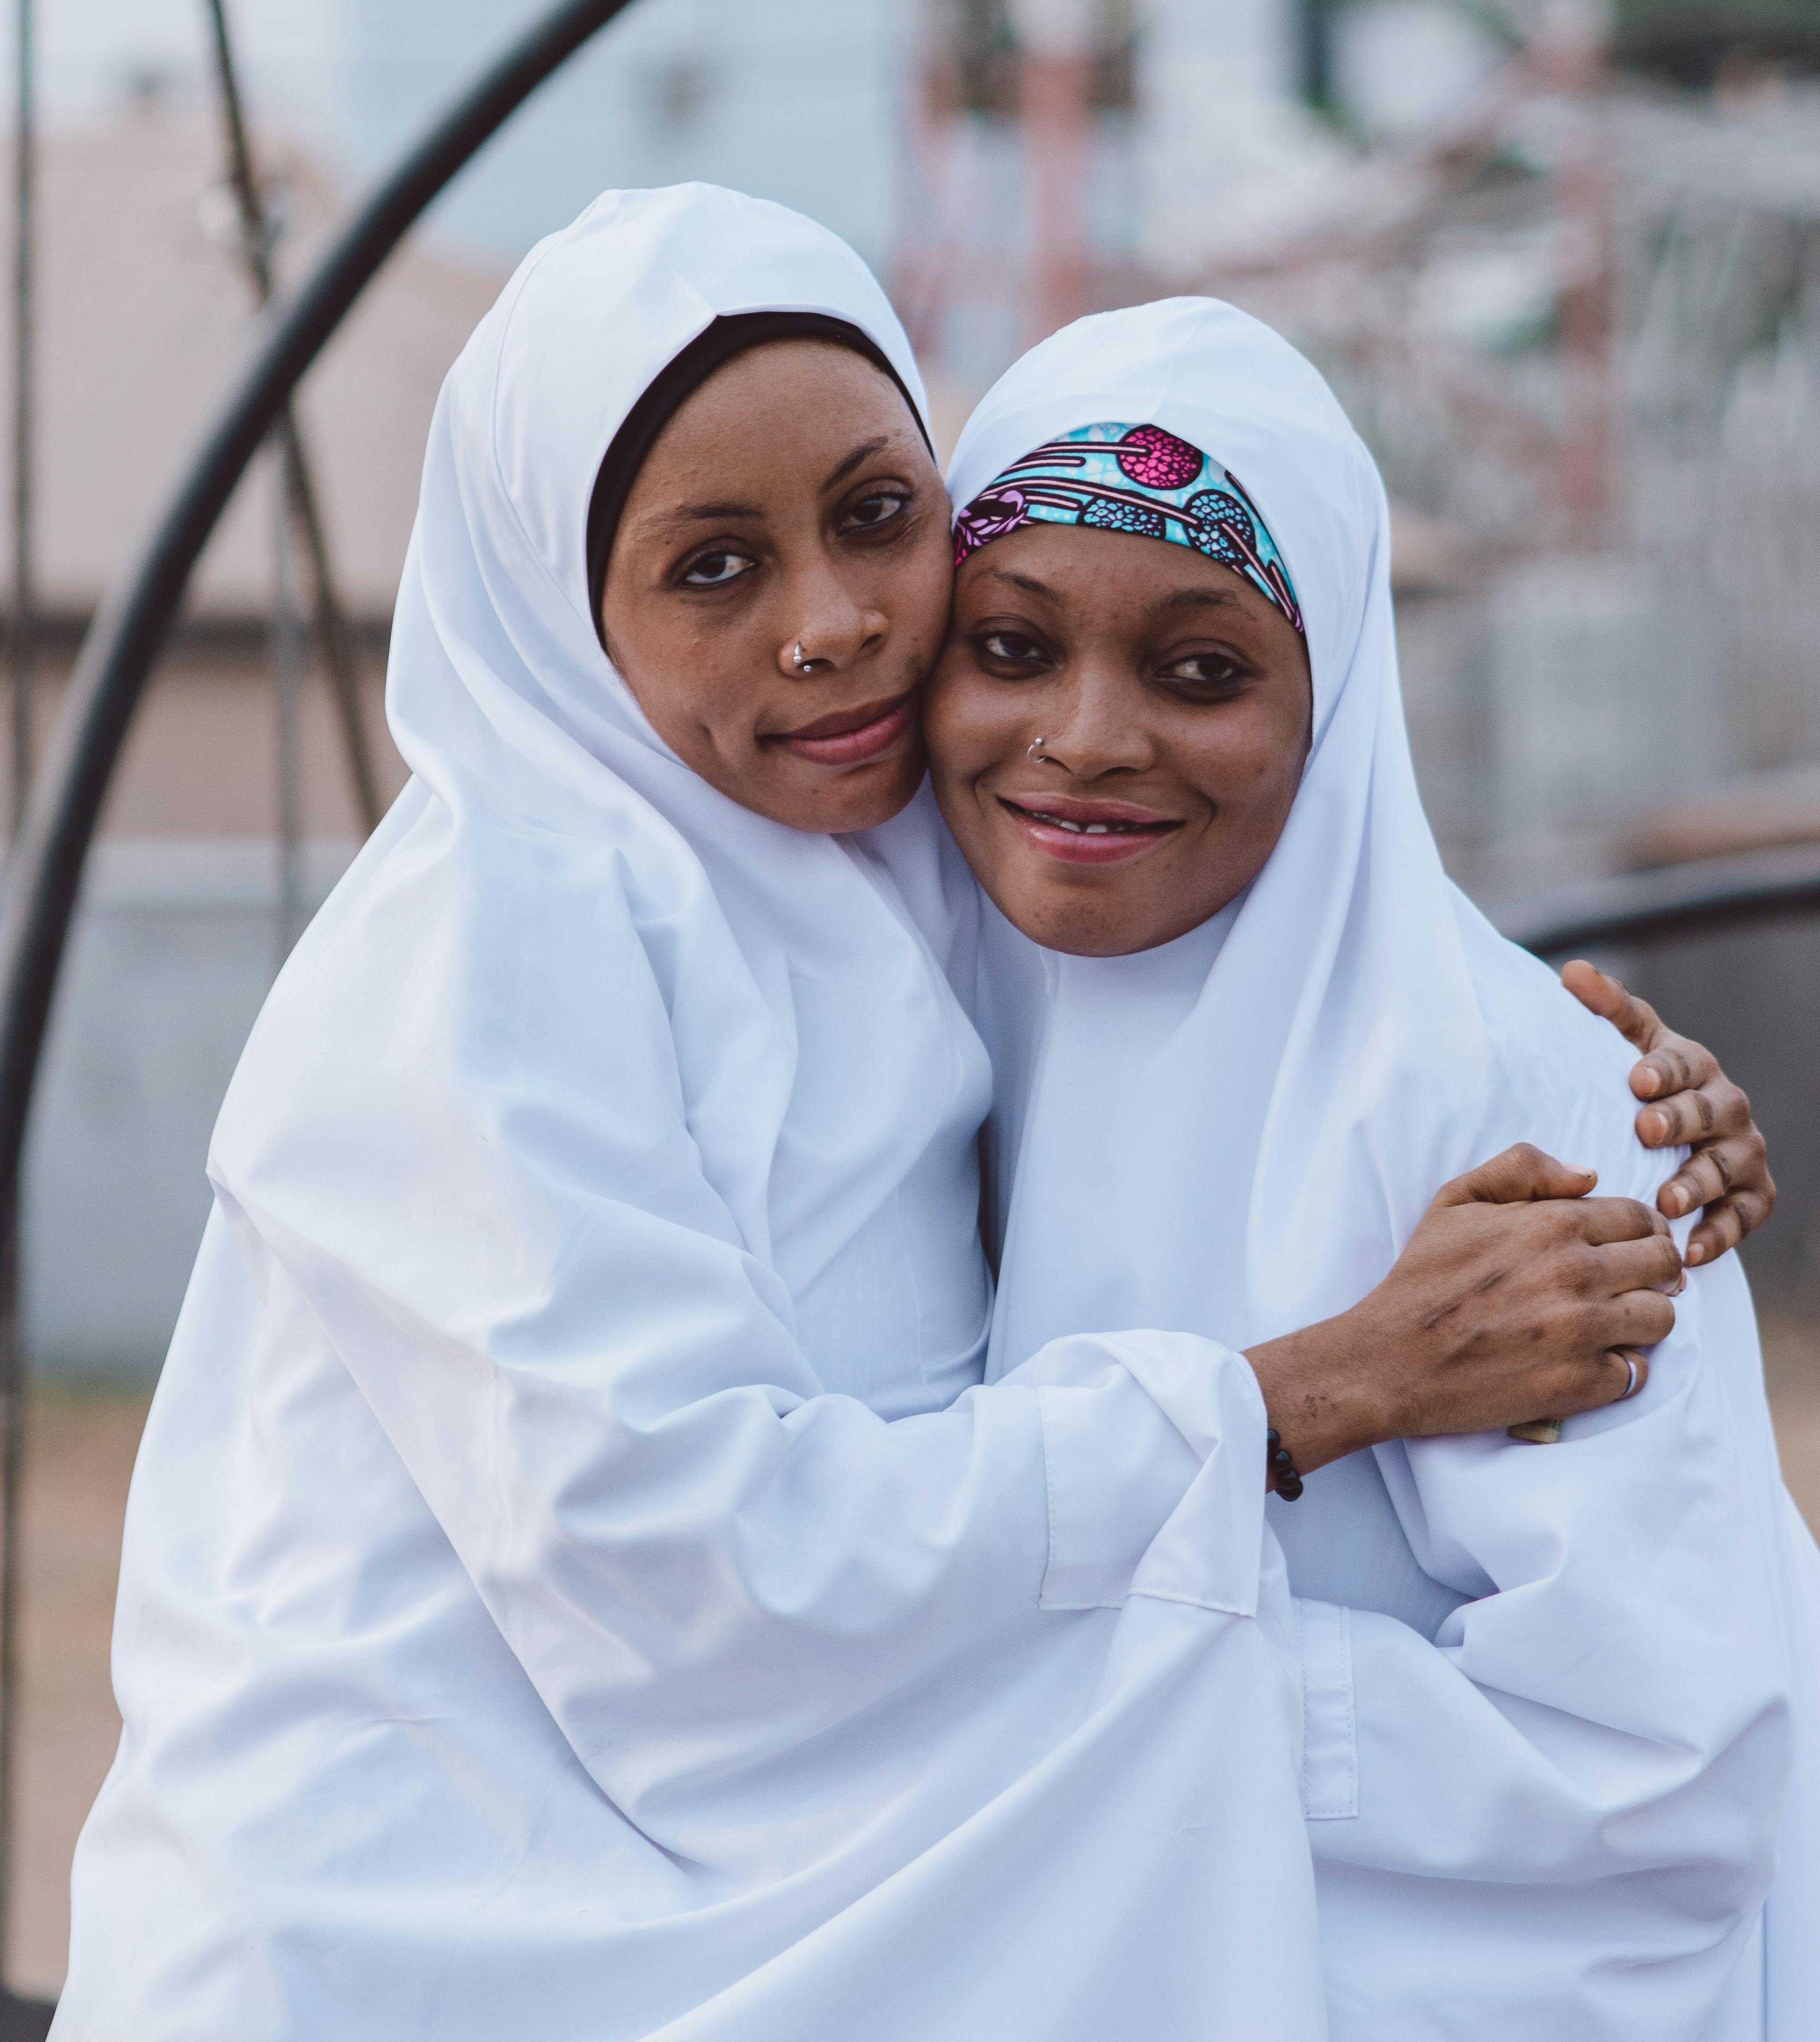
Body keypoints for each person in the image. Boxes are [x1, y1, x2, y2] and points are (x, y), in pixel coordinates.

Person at [55, 186, 1770, 2039]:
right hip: (427, 1937)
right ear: (560, 604)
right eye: (714, 565)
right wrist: (1306, 1403)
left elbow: (1666, 1748)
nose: (835, 629)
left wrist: (1621, 1091)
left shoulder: (930, 904)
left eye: (879, 520)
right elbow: (705, 1564)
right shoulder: (493, 954)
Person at [924, 292, 1817, 2038]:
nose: (1090, 737)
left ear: (1334, 703)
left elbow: (1656, 1756)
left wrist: (1050, 1690)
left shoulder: (1515, 1105)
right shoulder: (915, 1015)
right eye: (1014, 647)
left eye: (1201, 670)